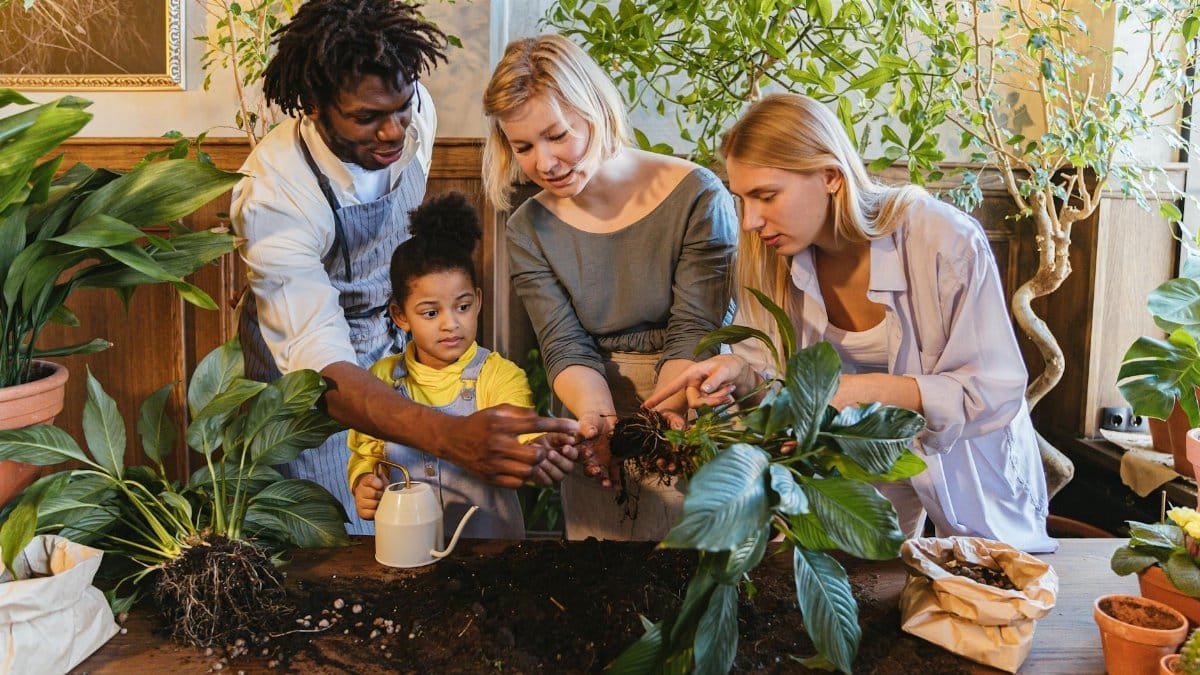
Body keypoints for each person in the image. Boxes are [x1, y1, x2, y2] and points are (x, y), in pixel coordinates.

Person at [644, 93, 1057, 553]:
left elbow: (993, 391)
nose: (749, 221)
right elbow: (777, 394)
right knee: (870, 587)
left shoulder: (943, 241)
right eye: (741, 199)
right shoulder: (767, 260)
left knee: (990, 598)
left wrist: (864, 393)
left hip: (969, 463)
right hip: (854, 468)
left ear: (831, 176)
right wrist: (741, 375)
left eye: (766, 196)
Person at [231, 0, 577, 535]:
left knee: (417, 526)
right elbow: (320, 367)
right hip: (313, 378)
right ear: (315, 109)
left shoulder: (416, 116)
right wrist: (449, 436)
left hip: (397, 343)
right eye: (366, 119)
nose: (393, 132)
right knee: (333, 540)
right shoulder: (275, 195)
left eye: (401, 108)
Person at [482, 35, 738, 541]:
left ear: (594, 109)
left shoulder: (697, 195)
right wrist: (599, 424)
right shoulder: (528, 227)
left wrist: (656, 423)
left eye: (557, 135)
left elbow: (695, 330)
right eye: (524, 146)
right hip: (587, 400)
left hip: (687, 396)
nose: (546, 163)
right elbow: (563, 343)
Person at [347, 193, 575, 539]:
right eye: (430, 312)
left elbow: (524, 440)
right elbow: (366, 455)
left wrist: (539, 452)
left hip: (492, 555)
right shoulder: (380, 380)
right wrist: (364, 482)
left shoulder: (498, 375)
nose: (450, 324)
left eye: (463, 307)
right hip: (408, 551)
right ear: (400, 315)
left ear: (478, 301)